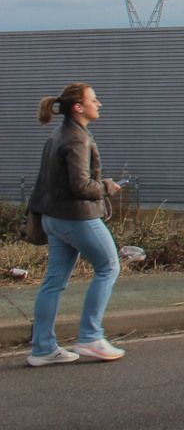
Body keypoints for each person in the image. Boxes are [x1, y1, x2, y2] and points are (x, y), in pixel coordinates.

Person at [26, 83, 126, 366]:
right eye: (94, 99)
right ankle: (90, 337)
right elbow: (81, 186)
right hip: (77, 217)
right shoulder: (77, 139)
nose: (100, 104)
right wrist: (106, 186)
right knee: (109, 267)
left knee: (54, 281)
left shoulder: (57, 135)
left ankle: (43, 348)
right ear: (78, 107)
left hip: (52, 218)